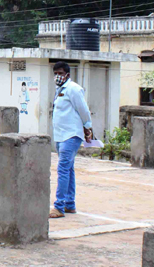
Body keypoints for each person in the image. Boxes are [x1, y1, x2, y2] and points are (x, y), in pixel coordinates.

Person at [49, 62, 93, 219]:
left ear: (67, 74)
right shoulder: (59, 90)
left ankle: (59, 206)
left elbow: (83, 109)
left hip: (71, 135)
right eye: (55, 73)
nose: (57, 76)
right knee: (68, 169)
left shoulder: (73, 89)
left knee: (62, 169)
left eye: (60, 73)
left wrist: (88, 127)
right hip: (60, 135)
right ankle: (69, 204)